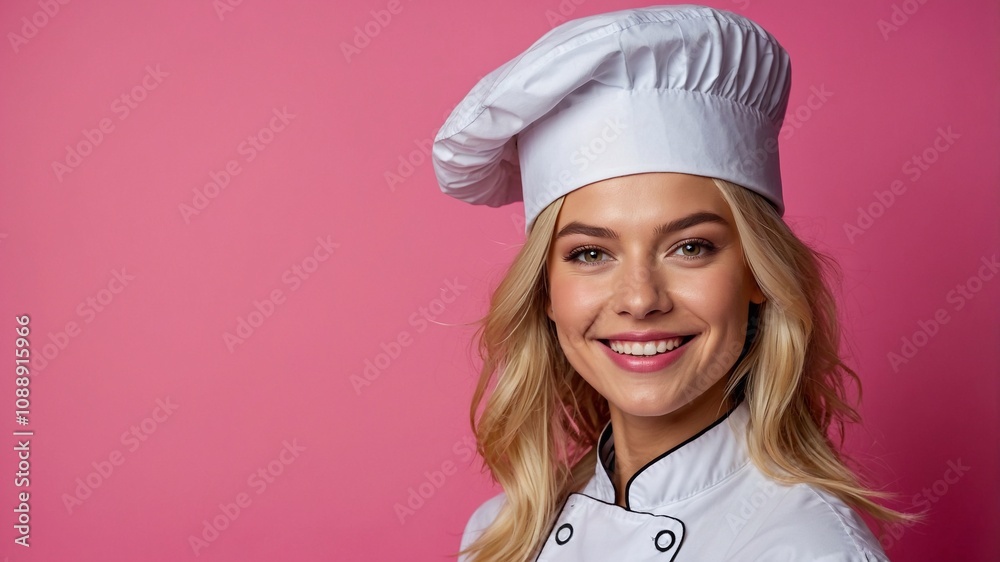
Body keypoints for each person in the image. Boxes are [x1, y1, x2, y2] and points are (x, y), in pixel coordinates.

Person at [432, 5, 917, 561]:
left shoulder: (808, 549)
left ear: (756, 274)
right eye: (590, 253)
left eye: (691, 247)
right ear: (545, 290)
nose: (640, 299)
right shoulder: (499, 535)